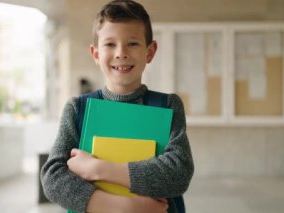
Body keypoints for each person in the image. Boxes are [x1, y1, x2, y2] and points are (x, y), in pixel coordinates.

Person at [41, 0, 194, 212]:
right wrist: (126, 206)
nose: (121, 52)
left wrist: (97, 168)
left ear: (150, 52)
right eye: (110, 44)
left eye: (132, 43)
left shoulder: (167, 106)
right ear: (96, 54)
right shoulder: (78, 109)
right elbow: (53, 178)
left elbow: (179, 173)